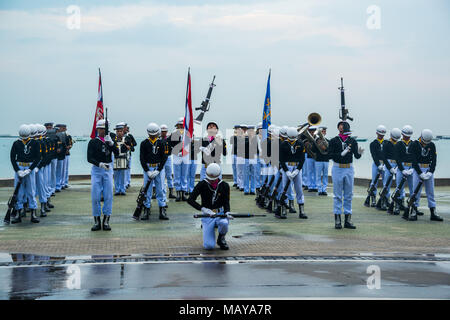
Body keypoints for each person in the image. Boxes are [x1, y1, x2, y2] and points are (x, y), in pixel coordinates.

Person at [328, 121, 364, 229]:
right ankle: (337, 220)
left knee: (349, 194)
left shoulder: (352, 141)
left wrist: (360, 153)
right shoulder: (334, 141)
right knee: (337, 195)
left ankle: (348, 220)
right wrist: (340, 154)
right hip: (338, 167)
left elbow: (356, 156)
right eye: (341, 126)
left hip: (349, 168)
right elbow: (330, 155)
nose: (341, 127)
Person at [187, 163, 232, 250]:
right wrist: (203, 209)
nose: (211, 181)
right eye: (209, 179)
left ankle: (221, 238)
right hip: (207, 215)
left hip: (220, 214)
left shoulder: (224, 185)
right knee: (209, 246)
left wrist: (227, 212)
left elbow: (226, 202)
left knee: (224, 223)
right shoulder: (202, 184)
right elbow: (190, 200)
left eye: (213, 179)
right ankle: (208, 229)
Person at [87, 119, 119, 231]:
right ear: (98, 129)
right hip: (97, 169)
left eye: (105, 129)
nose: (103, 131)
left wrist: (112, 144)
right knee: (95, 196)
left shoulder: (110, 139)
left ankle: (106, 220)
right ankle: (96, 220)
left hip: (108, 169)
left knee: (108, 195)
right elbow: (89, 158)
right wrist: (99, 164)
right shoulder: (93, 142)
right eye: (101, 129)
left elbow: (117, 153)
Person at [409, 129, 443, 221]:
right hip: (417, 169)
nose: (425, 144)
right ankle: (414, 210)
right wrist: (420, 173)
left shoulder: (431, 145)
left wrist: (430, 172)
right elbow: (413, 160)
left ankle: (433, 211)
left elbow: (434, 160)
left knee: (431, 192)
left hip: (428, 169)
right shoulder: (414, 144)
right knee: (416, 192)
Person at [9, 124, 41, 223]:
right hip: (19, 167)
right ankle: (18, 213)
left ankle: (33, 213)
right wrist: (17, 170)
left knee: (31, 191)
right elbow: (12, 158)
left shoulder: (35, 143)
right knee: (19, 192)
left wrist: (30, 169)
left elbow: (38, 158)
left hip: (29, 167)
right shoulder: (16, 143)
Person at [140, 123, 168, 220]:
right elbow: (142, 158)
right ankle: (146, 208)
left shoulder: (161, 143)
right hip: (148, 167)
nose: (153, 135)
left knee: (160, 189)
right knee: (147, 190)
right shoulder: (144, 143)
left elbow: (164, 157)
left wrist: (159, 170)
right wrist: (147, 170)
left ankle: (162, 209)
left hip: (158, 167)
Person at [278, 127, 308, 219]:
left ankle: (301, 209)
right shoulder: (283, 144)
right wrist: (286, 171)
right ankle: (284, 208)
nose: (292, 140)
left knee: (299, 189)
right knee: (285, 189)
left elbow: (302, 158)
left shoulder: (300, 143)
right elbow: (281, 159)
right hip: (287, 166)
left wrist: (298, 170)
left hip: (296, 167)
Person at [394, 125, 415, 217]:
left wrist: (412, 168)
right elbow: (397, 158)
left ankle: (412, 207)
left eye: (409, 135)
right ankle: (397, 205)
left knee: (412, 189)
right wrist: (402, 170)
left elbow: (415, 157)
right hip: (401, 167)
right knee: (399, 188)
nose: (407, 137)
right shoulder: (398, 144)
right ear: (402, 134)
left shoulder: (414, 144)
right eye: (406, 135)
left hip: (411, 167)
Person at [366, 125, 389, 207]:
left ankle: (385, 198)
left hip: (385, 164)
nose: (381, 135)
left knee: (385, 182)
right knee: (374, 182)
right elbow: (374, 155)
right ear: (376, 133)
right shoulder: (373, 143)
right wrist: (378, 165)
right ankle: (373, 198)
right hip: (376, 164)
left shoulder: (386, 143)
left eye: (382, 134)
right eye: (380, 134)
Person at [383, 128, 401, 213]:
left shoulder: (400, 144)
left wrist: (397, 166)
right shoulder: (386, 143)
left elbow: (401, 157)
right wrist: (389, 167)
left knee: (400, 185)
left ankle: (399, 202)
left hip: (398, 165)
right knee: (386, 184)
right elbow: (384, 157)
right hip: (388, 164)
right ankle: (385, 201)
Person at [170, 117, 189, 201]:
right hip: (177, 156)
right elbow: (172, 144)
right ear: (177, 125)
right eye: (180, 125)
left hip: (185, 156)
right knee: (177, 176)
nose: (181, 126)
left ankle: (183, 192)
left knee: (184, 176)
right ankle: (178, 192)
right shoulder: (174, 133)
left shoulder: (188, 133)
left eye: (182, 125)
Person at [112, 123, 132, 196]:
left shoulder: (126, 139)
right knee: (116, 175)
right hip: (116, 157)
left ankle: (122, 189)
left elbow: (131, 148)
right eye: (118, 131)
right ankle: (117, 190)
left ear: (123, 132)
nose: (119, 132)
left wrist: (127, 146)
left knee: (123, 175)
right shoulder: (113, 140)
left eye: (120, 131)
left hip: (123, 157)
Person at [311, 126, 330, 196]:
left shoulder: (328, 141)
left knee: (325, 175)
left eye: (324, 131)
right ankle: (319, 190)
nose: (323, 133)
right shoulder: (316, 141)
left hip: (326, 160)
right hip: (318, 160)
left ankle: (324, 190)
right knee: (318, 176)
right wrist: (317, 144)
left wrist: (325, 148)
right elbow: (313, 150)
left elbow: (330, 150)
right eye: (322, 131)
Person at [160, 124, 176, 199]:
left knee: (169, 175)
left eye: (165, 131)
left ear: (167, 131)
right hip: (160, 158)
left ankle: (171, 192)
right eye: (162, 131)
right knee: (160, 176)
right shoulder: (158, 139)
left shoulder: (170, 138)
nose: (163, 133)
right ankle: (157, 192)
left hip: (168, 157)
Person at [123, 123, 137, 189]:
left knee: (128, 168)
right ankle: (124, 182)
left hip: (129, 154)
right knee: (124, 169)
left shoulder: (130, 136)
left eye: (128, 128)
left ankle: (128, 182)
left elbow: (135, 143)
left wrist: (130, 145)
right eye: (126, 128)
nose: (127, 129)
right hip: (122, 154)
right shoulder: (121, 136)